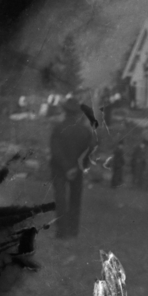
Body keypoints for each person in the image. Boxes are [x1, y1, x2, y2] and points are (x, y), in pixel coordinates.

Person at [50, 98, 95, 239]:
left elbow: (55, 151)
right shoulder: (85, 131)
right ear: (77, 113)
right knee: (75, 200)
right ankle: (73, 230)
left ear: (65, 111)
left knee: (61, 199)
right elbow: (90, 150)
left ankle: (62, 231)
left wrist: (66, 167)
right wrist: (79, 167)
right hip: (78, 170)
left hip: (59, 169)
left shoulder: (58, 128)